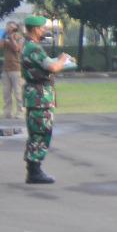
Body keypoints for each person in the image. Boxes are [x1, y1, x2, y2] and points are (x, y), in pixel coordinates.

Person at [20, 15, 72, 184]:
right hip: (39, 97)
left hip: (37, 95)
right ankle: (34, 171)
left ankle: (33, 169)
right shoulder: (34, 48)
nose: (45, 30)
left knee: (37, 132)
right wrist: (63, 60)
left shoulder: (29, 47)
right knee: (41, 132)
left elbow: (46, 64)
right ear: (35, 29)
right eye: (42, 27)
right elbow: (52, 67)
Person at [0, 21, 25, 120]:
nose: (10, 30)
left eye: (12, 28)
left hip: (16, 68)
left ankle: (20, 112)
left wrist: (12, 37)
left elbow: (17, 49)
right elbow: (0, 45)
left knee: (18, 92)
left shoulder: (19, 38)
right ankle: (7, 112)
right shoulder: (5, 38)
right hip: (6, 68)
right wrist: (4, 35)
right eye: (8, 28)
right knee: (6, 92)